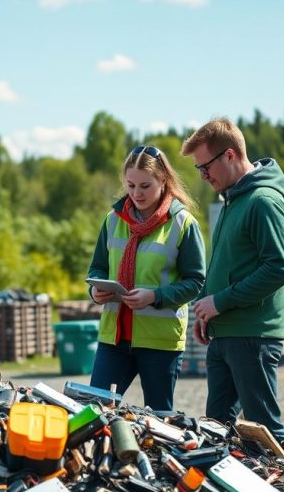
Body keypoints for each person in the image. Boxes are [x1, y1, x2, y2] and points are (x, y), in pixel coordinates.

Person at [182, 118, 284, 442]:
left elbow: (279, 268)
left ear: (229, 156)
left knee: (264, 431)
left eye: (205, 167)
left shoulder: (264, 202)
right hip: (225, 334)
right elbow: (227, 263)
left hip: (252, 337)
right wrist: (206, 310)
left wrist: (220, 301)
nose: (203, 177)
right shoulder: (233, 200)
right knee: (216, 429)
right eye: (198, 170)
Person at [87, 145, 206, 411]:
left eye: (145, 186)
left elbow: (196, 282)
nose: (136, 193)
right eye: (130, 185)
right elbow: (96, 269)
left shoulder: (183, 224)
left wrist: (155, 296)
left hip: (160, 342)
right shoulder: (112, 221)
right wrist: (95, 292)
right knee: (93, 412)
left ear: (163, 180)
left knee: (160, 420)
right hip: (114, 338)